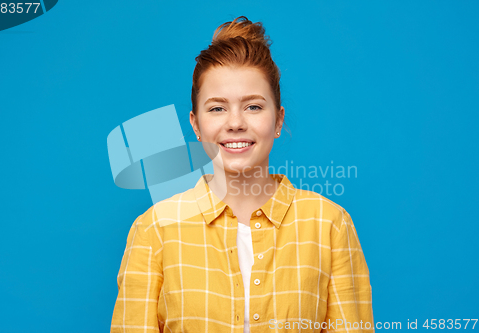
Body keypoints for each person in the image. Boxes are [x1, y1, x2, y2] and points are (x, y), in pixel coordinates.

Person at [111, 16, 374, 333]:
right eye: (217, 108)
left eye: (253, 106)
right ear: (196, 125)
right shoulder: (154, 230)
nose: (235, 122)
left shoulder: (329, 225)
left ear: (278, 120)